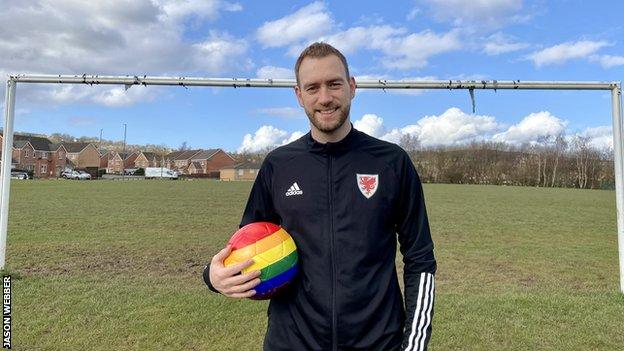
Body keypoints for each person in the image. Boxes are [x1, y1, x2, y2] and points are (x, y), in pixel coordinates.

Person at [203, 42, 436, 351]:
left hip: (377, 342)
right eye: (312, 88)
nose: (325, 98)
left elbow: (420, 259)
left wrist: (414, 346)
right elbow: (247, 244)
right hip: (292, 342)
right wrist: (213, 277)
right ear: (299, 96)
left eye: (334, 84)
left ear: (352, 87)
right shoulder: (279, 165)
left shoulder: (392, 162)